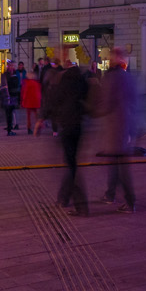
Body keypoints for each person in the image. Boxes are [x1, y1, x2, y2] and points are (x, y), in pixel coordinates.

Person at [96, 53, 140, 212]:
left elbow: (106, 103)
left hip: (116, 127)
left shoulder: (112, 77)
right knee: (115, 163)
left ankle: (129, 201)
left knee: (120, 166)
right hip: (125, 126)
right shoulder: (128, 77)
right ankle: (110, 194)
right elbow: (135, 102)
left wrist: (94, 110)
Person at [47, 59, 91, 215]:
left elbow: (53, 100)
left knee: (71, 165)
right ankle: (63, 197)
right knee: (71, 162)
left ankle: (81, 206)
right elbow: (86, 97)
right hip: (78, 125)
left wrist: (43, 117)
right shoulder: (81, 79)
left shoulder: (62, 79)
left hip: (67, 125)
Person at [1, 62, 25, 136]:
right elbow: (6, 85)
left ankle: (10, 128)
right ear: (8, 66)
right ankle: (9, 129)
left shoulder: (13, 74)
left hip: (12, 96)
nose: (12, 67)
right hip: (8, 96)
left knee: (11, 113)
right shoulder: (6, 74)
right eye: (11, 65)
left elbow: (16, 84)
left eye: (13, 66)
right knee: (8, 113)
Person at [21, 63, 43, 134]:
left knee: (28, 116)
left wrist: (23, 101)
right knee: (37, 115)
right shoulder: (37, 83)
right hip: (35, 102)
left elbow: (24, 93)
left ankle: (29, 128)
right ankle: (37, 126)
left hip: (28, 102)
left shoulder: (26, 83)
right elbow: (39, 93)